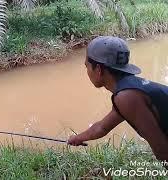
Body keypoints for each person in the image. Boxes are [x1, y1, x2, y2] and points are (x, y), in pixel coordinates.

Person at [67, 36, 168, 166]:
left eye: (86, 66)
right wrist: (77, 138)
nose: (87, 71)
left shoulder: (126, 97)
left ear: (98, 69)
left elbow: (162, 150)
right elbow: (101, 127)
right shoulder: (128, 90)